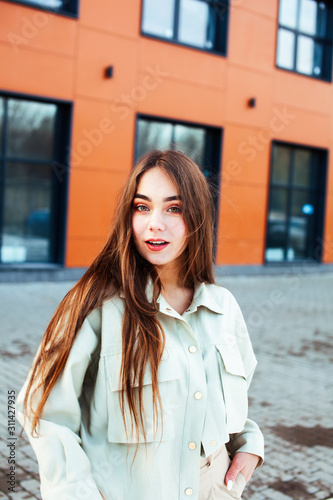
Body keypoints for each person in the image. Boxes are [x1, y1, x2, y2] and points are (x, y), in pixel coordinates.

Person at [17, 149, 264, 500]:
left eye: (173, 208)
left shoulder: (222, 307)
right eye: (142, 207)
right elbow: (43, 411)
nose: (155, 224)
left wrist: (250, 444)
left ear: (197, 217)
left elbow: (226, 408)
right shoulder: (96, 304)